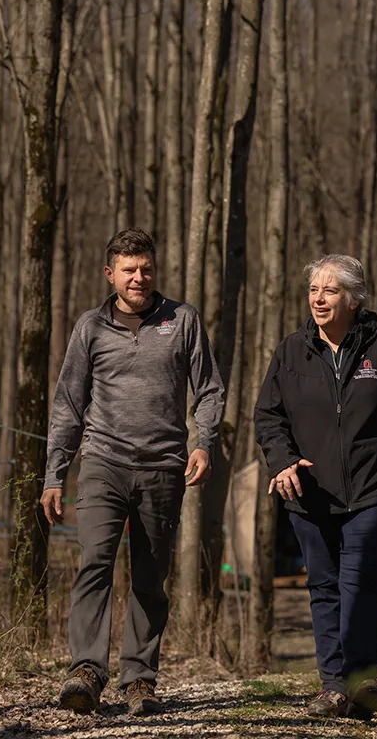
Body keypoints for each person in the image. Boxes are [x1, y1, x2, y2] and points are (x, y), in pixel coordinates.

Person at [254, 254, 377, 719]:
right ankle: (333, 686)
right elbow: (268, 416)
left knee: (361, 578)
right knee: (323, 586)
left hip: (376, 488)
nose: (319, 299)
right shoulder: (290, 351)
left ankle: (362, 680)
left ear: (354, 298)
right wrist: (282, 462)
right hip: (311, 492)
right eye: (314, 290)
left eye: (331, 290)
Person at [42, 228, 225, 717]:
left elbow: (209, 390)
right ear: (110, 274)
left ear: (154, 269)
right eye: (128, 270)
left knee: (148, 577)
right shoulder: (90, 327)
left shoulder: (182, 320)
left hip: (165, 467)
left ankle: (139, 681)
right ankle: (86, 671)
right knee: (95, 562)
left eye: (145, 268)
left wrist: (204, 444)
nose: (138, 277)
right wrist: (54, 475)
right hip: (102, 462)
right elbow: (67, 404)